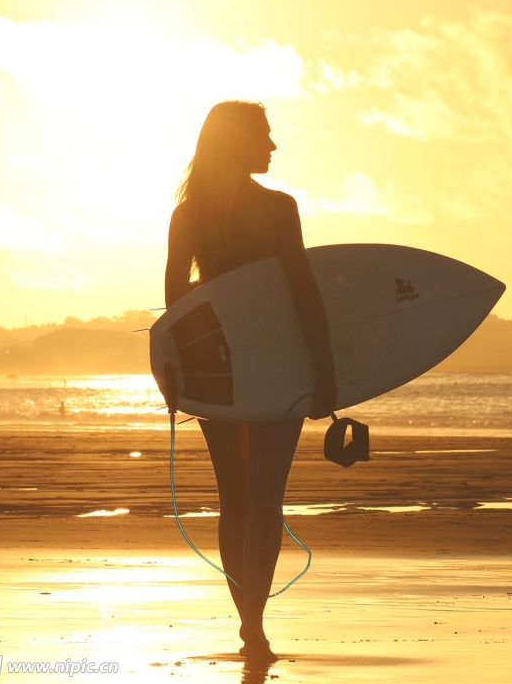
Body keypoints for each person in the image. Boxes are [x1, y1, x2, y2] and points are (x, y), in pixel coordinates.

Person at [164, 101, 338, 664]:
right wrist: (326, 373)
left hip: (219, 372)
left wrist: (181, 378)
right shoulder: (278, 208)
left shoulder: (189, 214)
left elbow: (174, 307)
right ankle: (255, 624)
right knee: (266, 500)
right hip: (280, 368)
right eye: (264, 135)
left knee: (235, 502)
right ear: (238, 141)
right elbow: (304, 294)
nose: (272, 146)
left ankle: (250, 624)